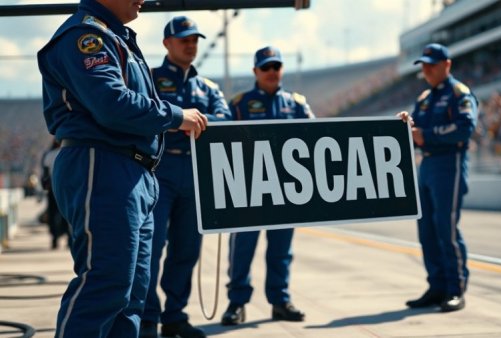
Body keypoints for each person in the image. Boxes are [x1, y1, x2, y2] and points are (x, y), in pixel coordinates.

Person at [36, 1, 208, 336]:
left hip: (133, 171)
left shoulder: (116, 37)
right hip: (102, 165)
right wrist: (175, 116)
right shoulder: (87, 35)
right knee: (105, 281)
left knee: (130, 295)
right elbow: (111, 104)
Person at [139, 16, 231, 338]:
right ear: (167, 43)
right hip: (158, 170)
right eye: (184, 40)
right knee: (150, 248)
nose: (191, 45)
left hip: (195, 174)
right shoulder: (148, 78)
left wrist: (182, 121)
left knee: (187, 248)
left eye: (195, 40)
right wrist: (182, 122)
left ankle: (175, 316)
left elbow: (224, 120)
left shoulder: (208, 87)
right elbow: (145, 115)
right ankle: (147, 318)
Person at [220, 46, 313, 325]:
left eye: (276, 67)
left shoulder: (296, 104)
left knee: (281, 250)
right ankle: (237, 303)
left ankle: (280, 300)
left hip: (287, 190)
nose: (272, 72)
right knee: (242, 248)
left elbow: (318, 138)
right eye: (266, 67)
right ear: (255, 72)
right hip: (247, 190)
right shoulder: (239, 104)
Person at [398, 43, 478, 312]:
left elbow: (465, 128)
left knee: (446, 228)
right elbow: (414, 133)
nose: (427, 70)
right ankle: (437, 287)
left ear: (447, 65)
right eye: (424, 65)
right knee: (427, 231)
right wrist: (406, 126)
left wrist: (427, 135)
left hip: (449, 164)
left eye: (432, 64)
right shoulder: (423, 99)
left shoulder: (459, 93)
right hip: (426, 165)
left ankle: (455, 289)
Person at [41, 139, 71, 250]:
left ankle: (54, 239)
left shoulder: (49, 155)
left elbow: (44, 175)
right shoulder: (67, 153)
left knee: (52, 214)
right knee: (66, 214)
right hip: (65, 188)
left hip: (52, 189)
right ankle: (68, 238)